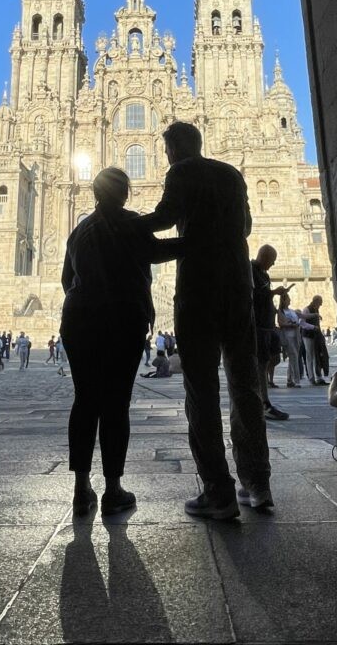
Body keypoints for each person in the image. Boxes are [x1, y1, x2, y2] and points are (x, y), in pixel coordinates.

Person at [138, 121, 272, 517]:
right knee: (246, 384)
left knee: (202, 388)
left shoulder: (181, 171)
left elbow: (165, 217)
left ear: (175, 150)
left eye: (166, 153)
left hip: (199, 288)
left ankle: (218, 490)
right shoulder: (231, 173)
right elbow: (245, 226)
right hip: (238, 286)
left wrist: (129, 224)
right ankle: (257, 483)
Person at [61, 167, 183, 517]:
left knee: (85, 401)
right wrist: (198, 240)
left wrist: (86, 297)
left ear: (95, 194)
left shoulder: (79, 231)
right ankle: (113, 490)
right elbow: (158, 251)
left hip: (79, 320)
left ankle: (81, 490)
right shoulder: (131, 222)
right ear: (125, 193)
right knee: (115, 404)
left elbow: (66, 279)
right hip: (122, 320)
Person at [250, 246, 289, 421]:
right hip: (258, 326)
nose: (273, 264)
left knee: (270, 360)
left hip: (268, 326)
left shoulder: (264, 274)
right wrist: (273, 292)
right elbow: (252, 294)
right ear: (264, 256)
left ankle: (263, 400)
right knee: (260, 364)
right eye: (271, 260)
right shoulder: (250, 270)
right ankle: (264, 403)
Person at [302, 296, 329, 385]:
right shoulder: (306, 309)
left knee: (317, 356)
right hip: (308, 336)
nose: (321, 304)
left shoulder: (316, 310)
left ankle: (319, 377)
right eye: (320, 302)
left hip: (316, 336)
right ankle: (311, 378)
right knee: (309, 356)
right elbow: (302, 323)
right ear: (315, 301)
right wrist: (312, 327)